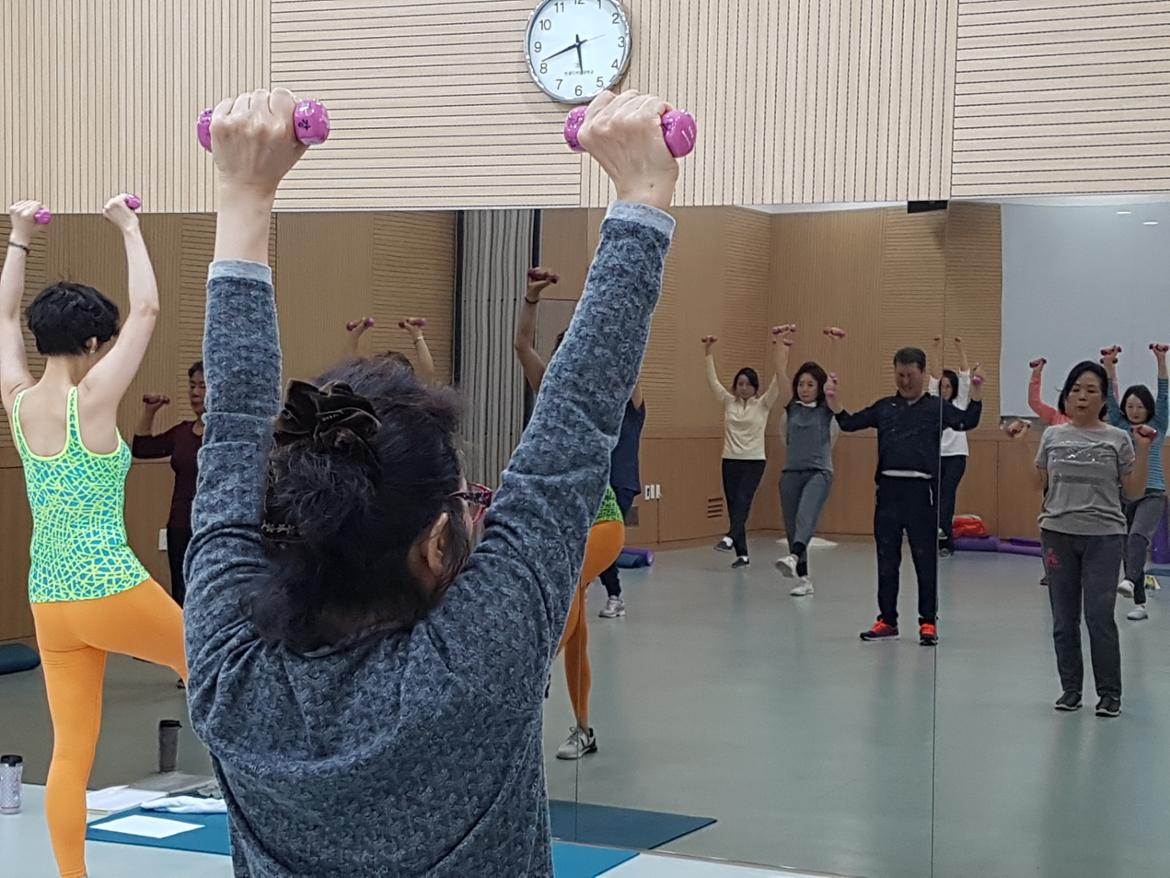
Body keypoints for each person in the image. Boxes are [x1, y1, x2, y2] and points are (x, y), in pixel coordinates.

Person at [183, 87, 677, 876]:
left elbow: (235, 425)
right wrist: (642, 199)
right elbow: (575, 426)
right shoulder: (475, 663)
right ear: (436, 546)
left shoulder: (228, 675)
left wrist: (243, 193)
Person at [1, 196, 188, 878]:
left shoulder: (18, 401)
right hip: (110, 587)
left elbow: (2, 319)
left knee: (70, 755)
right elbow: (147, 311)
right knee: (222, 670)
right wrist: (130, 227)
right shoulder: (94, 399)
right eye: (101, 344)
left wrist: (20, 236)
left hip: (50, 603)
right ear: (89, 345)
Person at [512, 266, 625, 758]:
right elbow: (521, 345)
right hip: (561, 526)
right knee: (576, 625)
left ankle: (533, 674)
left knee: (572, 585)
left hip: (603, 521)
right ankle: (583, 726)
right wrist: (532, 298)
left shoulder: (603, 396)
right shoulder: (548, 388)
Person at [829, 347, 984, 645]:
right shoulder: (885, 407)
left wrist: (977, 392)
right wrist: (835, 403)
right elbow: (849, 422)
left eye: (910, 375)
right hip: (888, 491)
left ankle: (928, 622)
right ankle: (887, 619)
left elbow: (967, 421)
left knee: (925, 560)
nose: (905, 381)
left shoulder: (936, 408)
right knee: (887, 559)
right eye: (900, 375)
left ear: (923, 374)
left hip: (921, 493)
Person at [1036, 361, 1153, 717]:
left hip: (1104, 537)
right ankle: (1070, 689)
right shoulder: (1052, 436)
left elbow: (1133, 491)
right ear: (1066, 397)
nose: (1082, 397)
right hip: (1057, 534)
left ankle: (1109, 694)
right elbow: (1038, 483)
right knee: (1063, 619)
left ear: (1104, 400)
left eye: (1091, 391)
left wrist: (1144, 450)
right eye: (1075, 390)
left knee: (1099, 617)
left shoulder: (1117, 438)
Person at [705, 332, 786, 568]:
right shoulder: (728, 402)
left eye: (748, 384)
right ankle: (742, 554)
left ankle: (730, 537)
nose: (743, 388)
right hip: (729, 460)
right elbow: (712, 381)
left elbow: (778, 381)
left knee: (743, 500)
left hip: (754, 461)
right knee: (733, 505)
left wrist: (782, 350)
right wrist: (708, 352)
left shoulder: (763, 404)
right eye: (740, 384)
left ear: (755, 387)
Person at [1102, 343, 1168, 620]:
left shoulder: (1157, 425)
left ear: (1148, 408)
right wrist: (1109, 365)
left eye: (1140, 406)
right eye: (1130, 406)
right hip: (1125, 492)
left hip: (1153, 493)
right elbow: (1109, 397)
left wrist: (1161, 359)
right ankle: (1139, 602)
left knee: (1138, 537)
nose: (1134, 410)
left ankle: (1129, 580)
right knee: (1127, 546)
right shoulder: (1119, 426)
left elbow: (1164, 393)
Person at [774, 325, 841, 597]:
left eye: (810, 384)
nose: (804, 389)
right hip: (791, 473)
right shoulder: (792, 407)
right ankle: (804, 579)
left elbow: (833, 380)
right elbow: (780, 374)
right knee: (792, 526)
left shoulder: (825, 410)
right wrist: (781, 346)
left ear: (819, 387)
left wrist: (834, 345)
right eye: (801, 384)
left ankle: (793, 557)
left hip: (818, 472)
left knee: (805, 516)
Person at [133, 360, 206, 607]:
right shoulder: (182, 432)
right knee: (181, 594)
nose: (195, 392)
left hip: (210, 526)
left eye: (203, 386)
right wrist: (150, 411)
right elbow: (142, 448)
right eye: (192, 386)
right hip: (180, 525)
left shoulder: (224, 435)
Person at [929, 337, 973, 557]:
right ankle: (938, 539)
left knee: (947, 494)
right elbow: (934, 376)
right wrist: (934, 350)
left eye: (948, 386)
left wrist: (960, 348)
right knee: (936, 497)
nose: (944, 389)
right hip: (935, 456)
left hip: (956, 456)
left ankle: (945, 540)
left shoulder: (959, 404)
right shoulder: (933, 403)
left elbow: (965, 376)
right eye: (942, 386)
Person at [345, 314, 435, 384]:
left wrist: (355, 334)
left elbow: (350, 369)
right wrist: (417, 335)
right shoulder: (413, 397)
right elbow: (427, 374)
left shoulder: (368, 392)